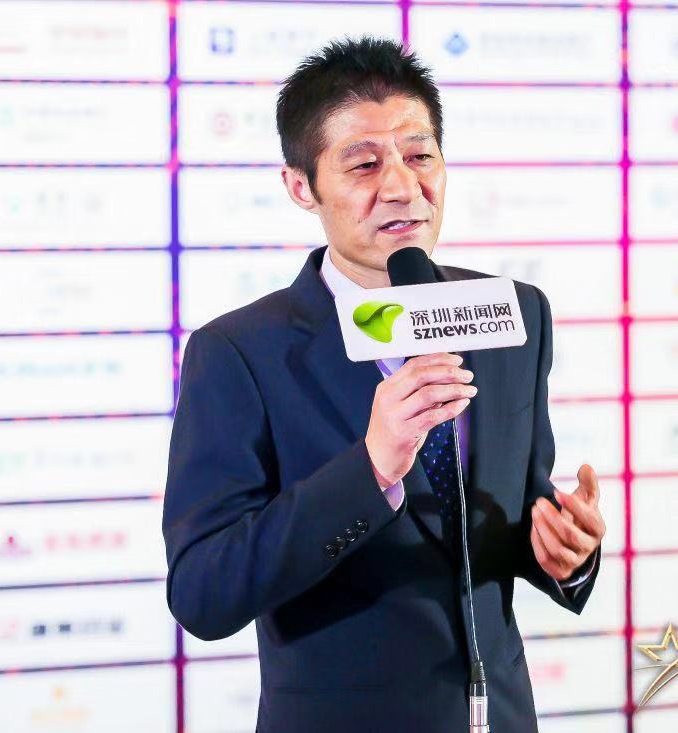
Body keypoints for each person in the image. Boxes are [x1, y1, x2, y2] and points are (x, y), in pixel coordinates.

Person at [162, 36, 605, 733]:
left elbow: (506, 516)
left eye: (419, 156)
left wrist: (563, 552)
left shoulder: (513, 313)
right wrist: (370, 468)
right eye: (364, 164)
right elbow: (204, 591)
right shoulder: (240, 352)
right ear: (301, 186)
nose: (401, 187)